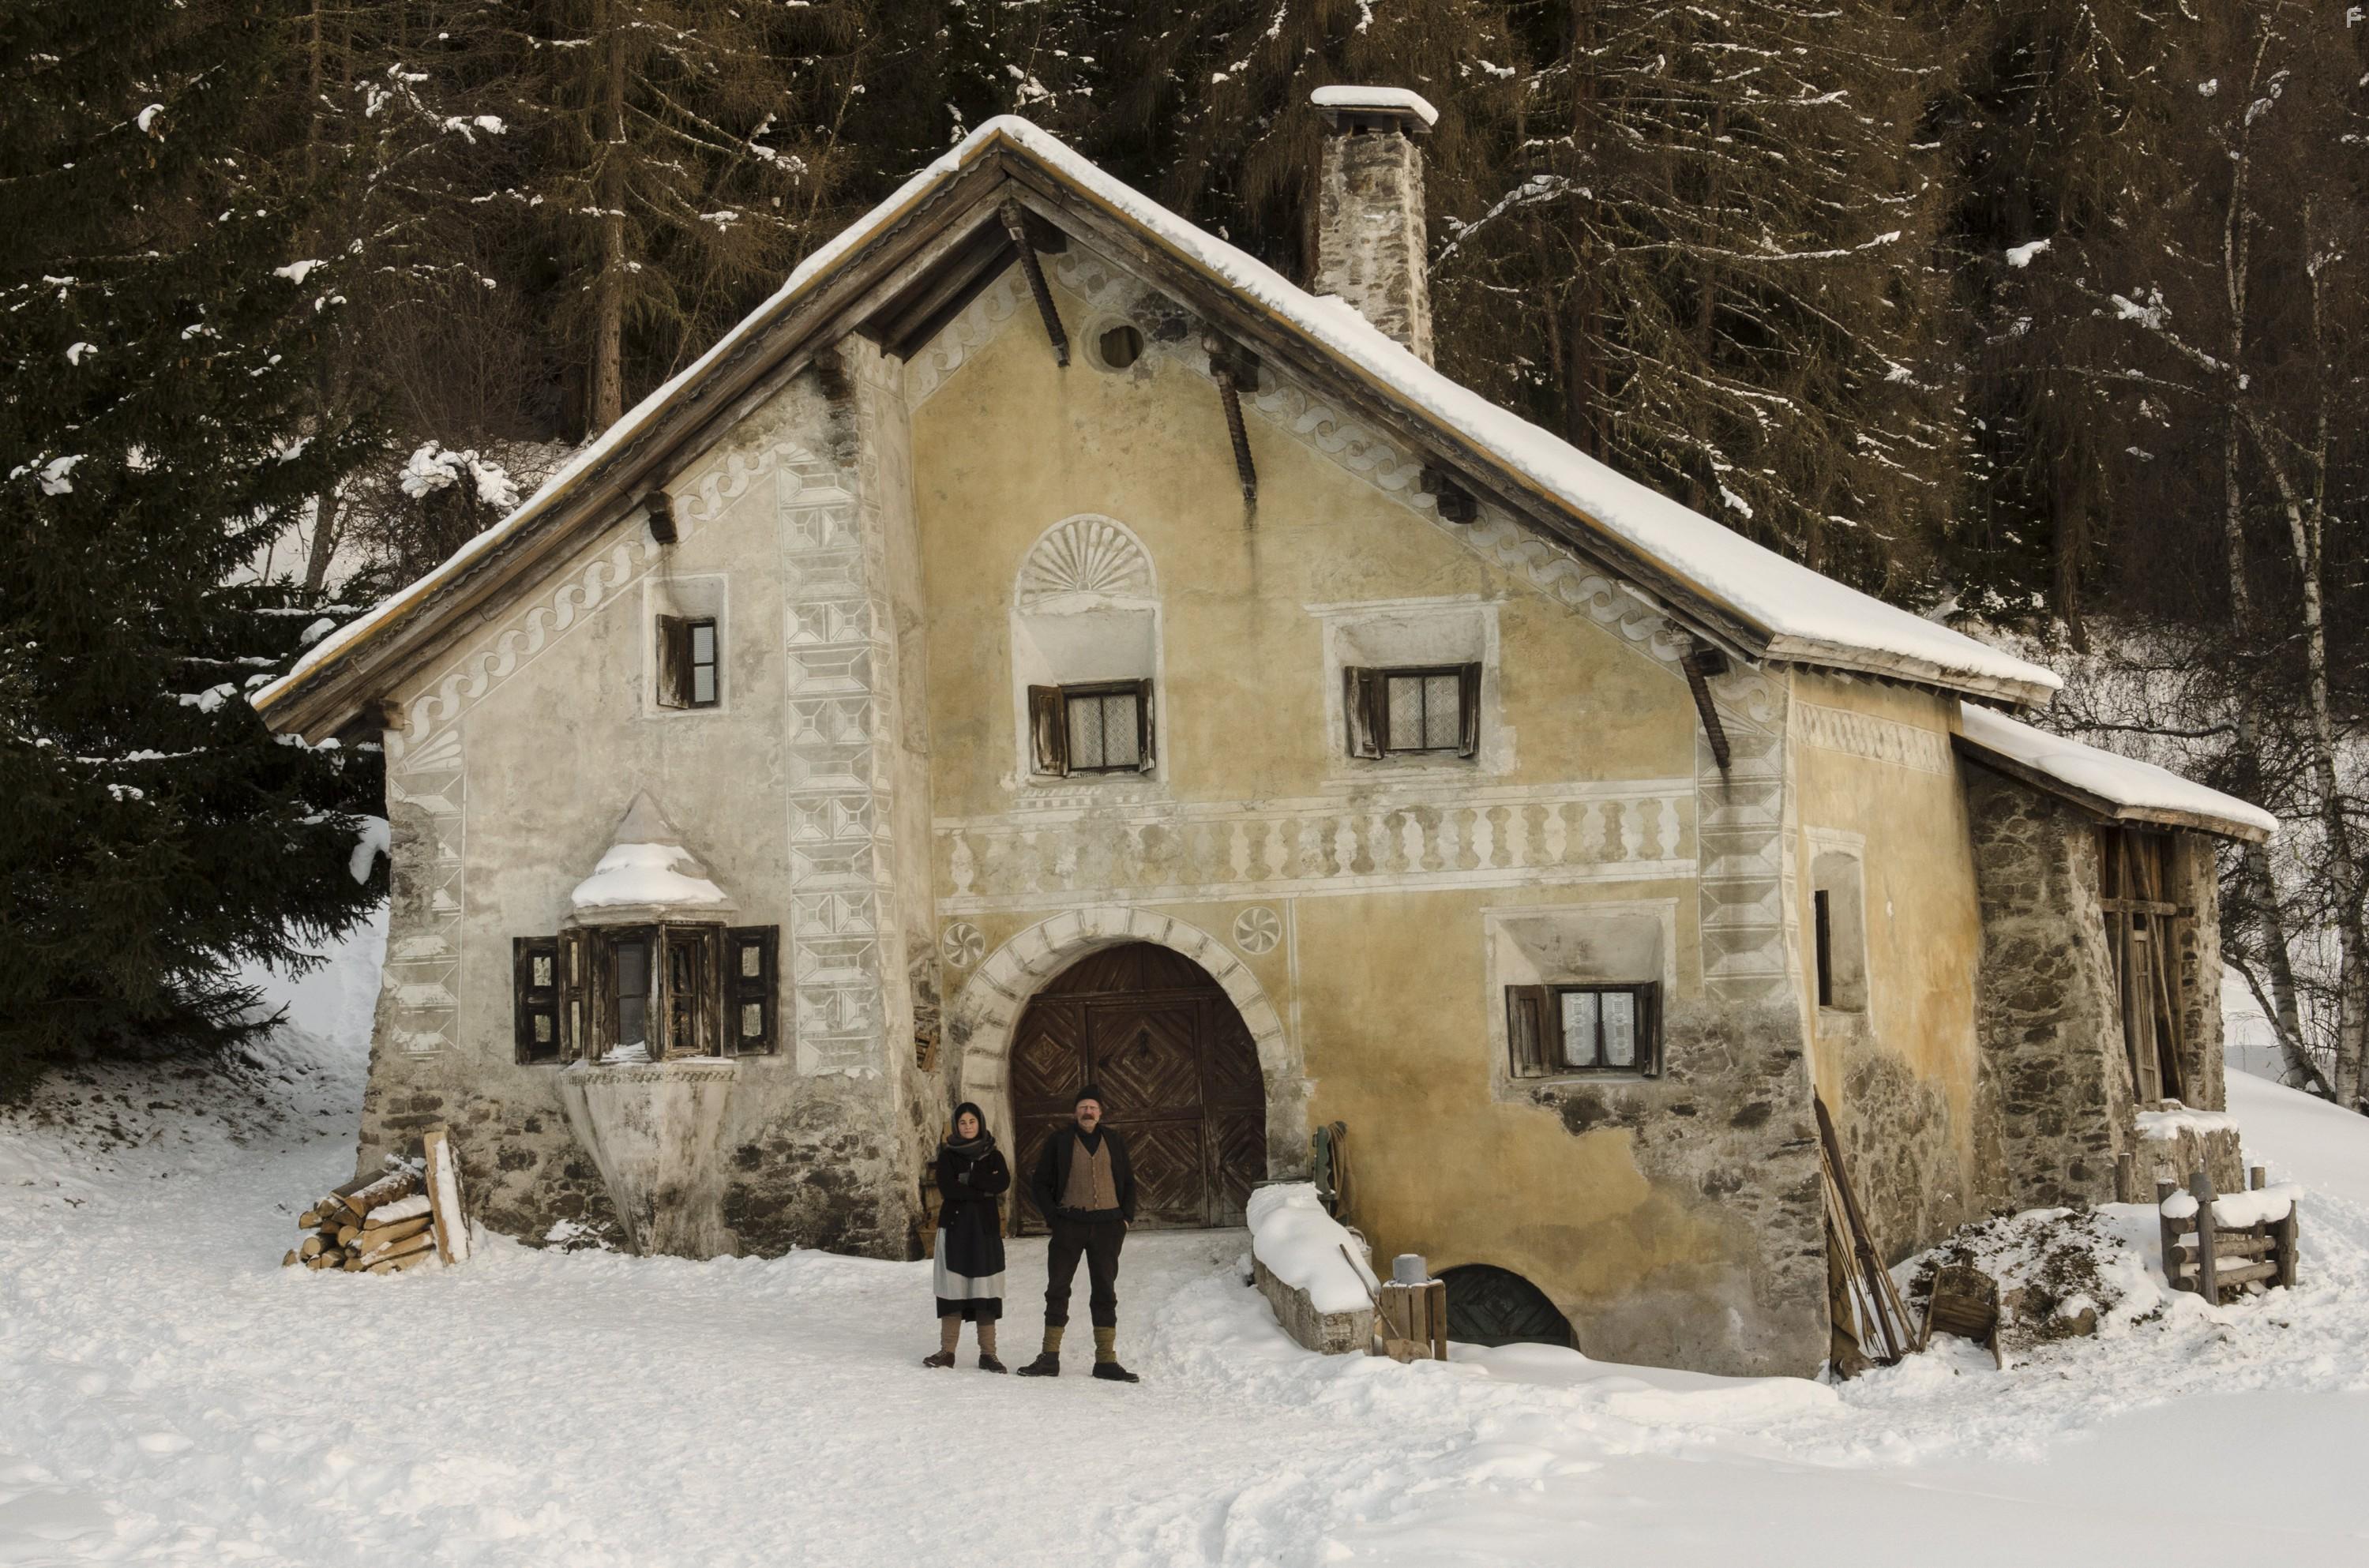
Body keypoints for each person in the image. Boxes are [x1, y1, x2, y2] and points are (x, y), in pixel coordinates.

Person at [1016, 1083, 1139, 1382]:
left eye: (1093, 1108)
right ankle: (1049, 1357)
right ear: (1075, 1112)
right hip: (1069, 1223)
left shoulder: (1114, 1140)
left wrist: (1126, 1219)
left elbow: (1129, 1181)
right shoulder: (1059, 1141)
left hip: (1109, 1226)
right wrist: (1054, 1218)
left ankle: (1106, 1361)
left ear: (1101, 1112)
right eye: (1083, 1107)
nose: (1088, 1112)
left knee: (1105, 1291)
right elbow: (1040, 1182)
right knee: (1058, 1288)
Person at [925, 1102, 1011, 1372]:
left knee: (986, 1292)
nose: (968, 1126)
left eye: (972, 1121)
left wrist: (968, 1180)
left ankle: (989, 1354)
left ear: (980, 1123)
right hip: (955, 1230)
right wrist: (982, 1187)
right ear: (957, 1126)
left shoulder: (994, 1155)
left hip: (985, 1230)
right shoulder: (948, 1156)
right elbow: (948, 1189)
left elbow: (1002, 1183)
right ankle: (947, 1352)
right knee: (953, 1290)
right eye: (962, 1122)